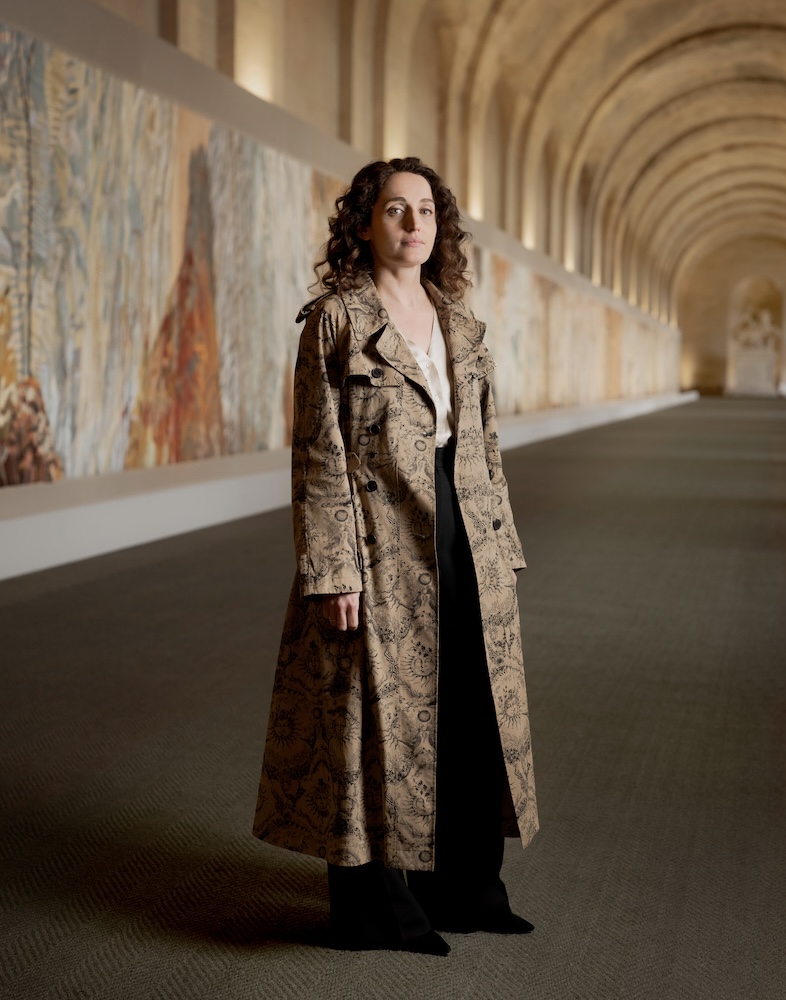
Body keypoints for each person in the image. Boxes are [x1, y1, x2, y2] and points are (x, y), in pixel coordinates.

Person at [253, 157, 538, 956]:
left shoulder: (463, 326)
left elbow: (485, 447)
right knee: (377, 723)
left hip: (465, 532)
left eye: (425, 211)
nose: (413, 225)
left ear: (440, 226)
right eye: (393, 210)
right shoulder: (338, 322)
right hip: (380, 546)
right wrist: (330, 570)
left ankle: (467, 889)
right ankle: (379, 911)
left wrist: (501, 544)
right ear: (365, 223)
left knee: (469, 711)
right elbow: (319, 455)